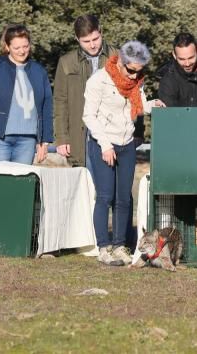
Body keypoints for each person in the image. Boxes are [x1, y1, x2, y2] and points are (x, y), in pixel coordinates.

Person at [83, 41, 163, 266]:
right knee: (106, 196)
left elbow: (137, 105)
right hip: (103, 143)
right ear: (120, 62)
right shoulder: (98, 80)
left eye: (139, 71)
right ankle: (103, 247)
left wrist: (152, 105)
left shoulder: (136, 81)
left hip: (127, 142)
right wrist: (105, 145)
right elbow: (89, 116)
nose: (133, 76)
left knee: (123, 198)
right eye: (130, 70)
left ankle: (119, 246)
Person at [0, 24, 53, 165]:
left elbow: (46, 107)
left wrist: (44, 140)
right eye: (17, 48)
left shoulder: (39, 71)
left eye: (25, 46)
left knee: (20, 184)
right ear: (7, 47)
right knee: (0, 183)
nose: (22, 51)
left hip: (28, 140)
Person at [54, 15, 118, 168]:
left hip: (113, 132)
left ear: (101, 32)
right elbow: (60, 101)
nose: (92, 45)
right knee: (85, 185)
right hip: (81, 133)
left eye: (95, 39)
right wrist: (62, 138)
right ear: (77, 39)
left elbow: (133, 94)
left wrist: (137, 133)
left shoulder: (119, 58)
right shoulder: (66, 62)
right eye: (86, 41)